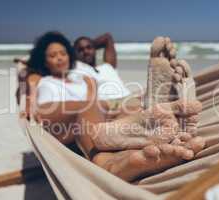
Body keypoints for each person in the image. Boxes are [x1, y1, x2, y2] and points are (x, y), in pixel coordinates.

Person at [19, 31, 205, 182]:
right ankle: (106, 162)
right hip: (52, 118)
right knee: (92, 106)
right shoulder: (42, 79)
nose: (59, 58)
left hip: (86, 123)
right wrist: (26, 101)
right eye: (52, 55)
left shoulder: (83, 77)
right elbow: (29, 94)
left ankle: (149, 132)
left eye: (63, 53)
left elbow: (98, 104)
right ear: (44, 61)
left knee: (122, 110)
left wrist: (116, 109)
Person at [72, 33, 131, 101]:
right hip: (110, 105)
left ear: (94, 49)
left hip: (128, 99)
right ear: (75, 53)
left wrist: (92, 44)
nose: (85, 51)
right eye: (80, 50)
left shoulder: (108, 66)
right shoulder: (77, 68)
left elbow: (107, 38)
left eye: (89, 47)